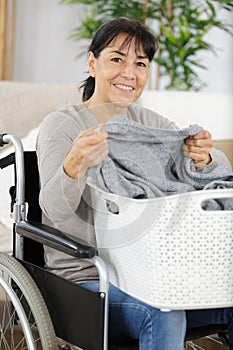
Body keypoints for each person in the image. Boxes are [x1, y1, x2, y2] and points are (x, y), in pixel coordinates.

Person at [36, 18, 233, 350]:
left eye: (140, 63)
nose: (129, 72)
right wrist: (73, 165)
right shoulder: (63, 126)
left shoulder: (151, 125)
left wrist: (205, 159)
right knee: (163, 311)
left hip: (157, 273)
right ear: (92, 62)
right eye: (117, 59)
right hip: (87, 281)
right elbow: (54, 209)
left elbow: (212, 180)